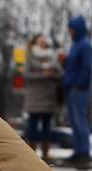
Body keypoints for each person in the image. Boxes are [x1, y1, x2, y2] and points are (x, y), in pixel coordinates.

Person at [60, 16, 92, 166]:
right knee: (74, 122)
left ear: (77, 29)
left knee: (80, 120)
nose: (69, 32)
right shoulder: (76, 45)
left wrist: (78, 85)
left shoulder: (85, 45)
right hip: (71, 88)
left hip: (79, 89)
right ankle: (78, 151)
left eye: (71, 29)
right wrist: (65, 60)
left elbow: (87, 68)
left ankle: (84, 152)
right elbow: (73, 66)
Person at [23, 33, 61, 162]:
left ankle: (45, 154)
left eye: (44, 39)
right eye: (39, 39)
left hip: (49, 97)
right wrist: (43, 75)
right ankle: (31, 154)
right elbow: (26, 75)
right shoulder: (30, 55)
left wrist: (52, 73)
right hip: (34, 97)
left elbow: (60, 73)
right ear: (34, 42)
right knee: (32, 125)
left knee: (47, 126)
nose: (42, 41)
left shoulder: (52, 56)